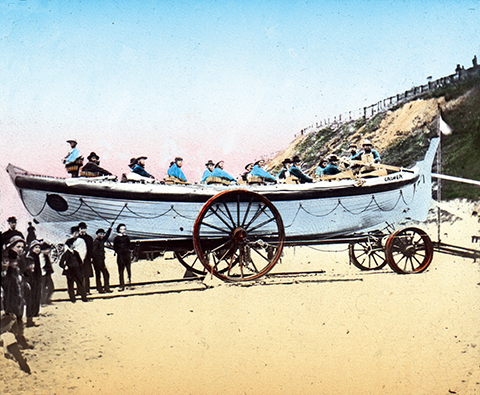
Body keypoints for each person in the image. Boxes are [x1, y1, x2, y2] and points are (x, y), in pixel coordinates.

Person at [2, 249, 33, 349]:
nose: (14, 263)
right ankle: (17, 341)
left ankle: (21, 339)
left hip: (18, 302)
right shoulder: (7, 275)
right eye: (12, 261)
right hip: (11, 303)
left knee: (19, 322)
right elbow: (8, 292)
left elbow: (20, 285)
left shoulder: (17, 272)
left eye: (16, 261)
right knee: (13, 323)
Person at [59, 238, 87, 303]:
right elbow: (61, 263)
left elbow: (80, 262)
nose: (75, 244)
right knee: (70, 285)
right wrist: (65, 267)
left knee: (80, 284)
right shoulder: (66, 254)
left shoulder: (76, 253)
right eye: (73, 243)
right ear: (70, 245)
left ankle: (84, 297)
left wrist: (81, 269)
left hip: (77, 270)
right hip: (70, 271)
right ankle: (72, 298)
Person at [23, 240, 43, 327]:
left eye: (39, 247)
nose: (38, 249)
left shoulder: (36, 256)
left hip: (37, 280)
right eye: (36, 247)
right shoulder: (30, 257)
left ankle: (34, 314)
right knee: (32, 298)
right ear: (31, 248)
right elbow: (29, 270)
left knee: (36, 297)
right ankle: (30, 317)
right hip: (32, 280)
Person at [92, 227, 113, 293]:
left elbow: (106, 236)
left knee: (99, 275)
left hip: (98, 260)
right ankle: (105, 288)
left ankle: (100, 288)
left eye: (102, 234)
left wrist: (110, 229)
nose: (102, 235)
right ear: (97, 234)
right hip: (98, 261)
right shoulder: (96, 242)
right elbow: (94, 252)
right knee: (105, 274)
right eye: (100, 234)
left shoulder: (100, 240)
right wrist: (101, 257)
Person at [113, 224, 131, 291]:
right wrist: (119, 251)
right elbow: (115, 247)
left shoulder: (127, 237)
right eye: (121, 229)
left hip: (127, 255)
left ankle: (129, 283)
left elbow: (129, 245)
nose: (123, 230)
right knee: (121, 271)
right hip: (120, 256)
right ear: (118, 230)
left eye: (124, 229)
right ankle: (121, 285)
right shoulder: (116, 238)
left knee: (128, 269)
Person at [78, 222, 94, 295]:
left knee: (86, 275)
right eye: (82, 229)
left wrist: (90, 257)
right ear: (79, 229)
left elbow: (91, 249)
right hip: (78, 259)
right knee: (78, 275)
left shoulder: (89, 238)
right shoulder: (77, 238)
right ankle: (79, 290)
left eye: (84, 229)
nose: (83, 230)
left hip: (87, 258)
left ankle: (87, 290)